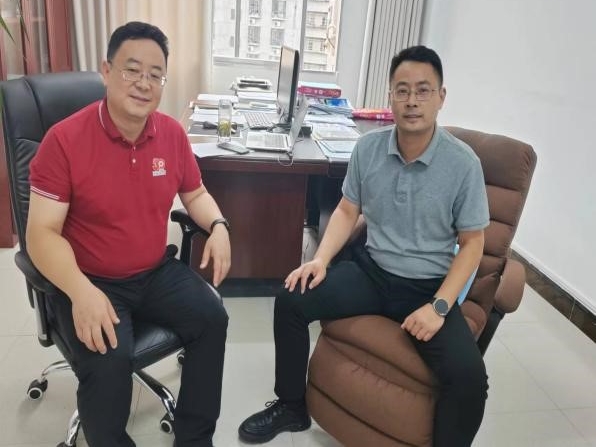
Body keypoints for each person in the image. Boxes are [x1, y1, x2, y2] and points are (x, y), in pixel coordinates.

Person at [238, 45, 490, 447]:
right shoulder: (368, 149)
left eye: (423, 90)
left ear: (441, 97)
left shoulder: (463, 164)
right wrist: (321, 260)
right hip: (372, 273)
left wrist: (440, 307)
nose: (412, 101)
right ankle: (291, 405)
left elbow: (473, 244)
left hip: (428, 287)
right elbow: (346, 209)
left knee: (470, 378)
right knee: (290, 300)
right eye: (402, 90)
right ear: (390, 96)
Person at [26, 21, 230, 447]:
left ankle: (195, 438)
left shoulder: (171, 134)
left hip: (154, 271)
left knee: (212, 317)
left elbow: (195, 193)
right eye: (131, 70)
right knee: (109, 358)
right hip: (89, 279)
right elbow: (41, 234)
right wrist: (80, 291)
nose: (144, 83)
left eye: (156, 75)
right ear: (106, 71)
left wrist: (218, 225)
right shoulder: (64, 140)